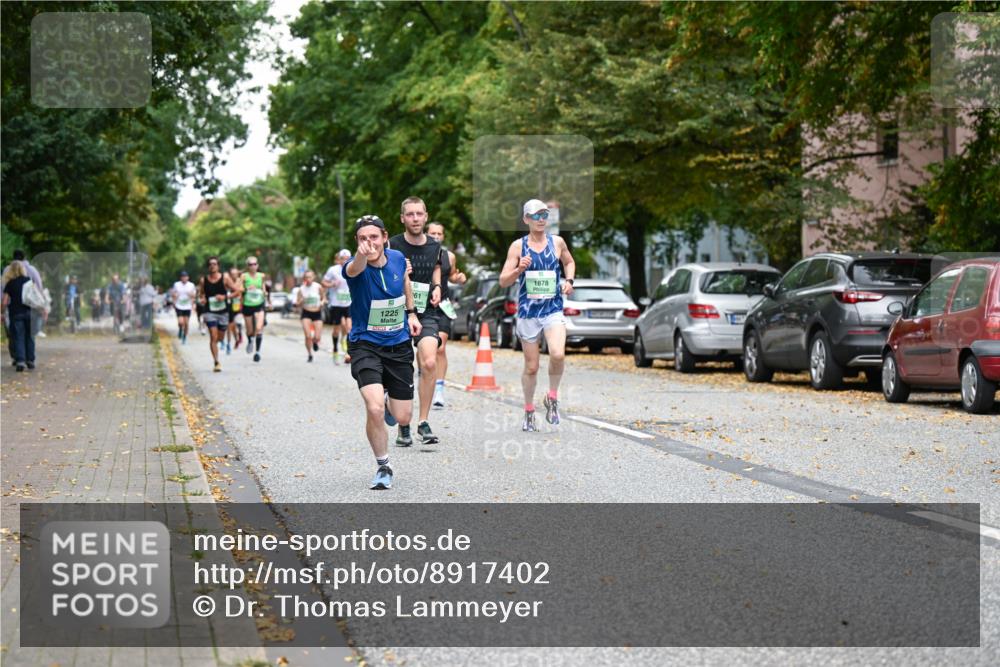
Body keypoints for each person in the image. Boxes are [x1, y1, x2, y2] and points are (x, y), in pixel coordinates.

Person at [345, 215, 422, 489]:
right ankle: (383, 466)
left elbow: (404, 283)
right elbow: (354, 268)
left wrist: (411, 313)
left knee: (403, 417)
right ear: (357, 241)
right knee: (374, 407)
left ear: (385, 236)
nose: (369, 243)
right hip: (365, 345)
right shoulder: (354, 267)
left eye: (374, 237)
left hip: (399, 344)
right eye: (363, 238)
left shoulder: (399, 258)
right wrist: (360, 256)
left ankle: (390, 399)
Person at [498, 199, 576, 431]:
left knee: (558, 354)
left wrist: (569, 281)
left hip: (552, 309)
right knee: (531, 367)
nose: (541, 219)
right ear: (526, 220)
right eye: (536, 215)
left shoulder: (557, 242)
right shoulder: (518, 247)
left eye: (544, 214)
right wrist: (518, 269)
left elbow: (569, 262)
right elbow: (503, 281)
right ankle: (529, 411)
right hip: (528, 313)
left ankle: (552, 397)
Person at [388, 196, 443, 446]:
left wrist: (438, 286)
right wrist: (399, 272)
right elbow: (381, 275)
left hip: (426, 312)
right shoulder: (393, 245)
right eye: (410, 214)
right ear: (402, 218)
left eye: (419, 214)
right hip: (397, 312)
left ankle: (422, 422)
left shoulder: (434, 245)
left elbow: (436, 267)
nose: (415, 218)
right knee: (401, 369)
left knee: (430, 362)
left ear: (426, 216)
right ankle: (403, 424)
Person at [426, 222, 467, 408]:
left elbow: (451, 275)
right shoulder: (418, 252)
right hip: (422, 306)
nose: (435, 236)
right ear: (426, 234)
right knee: (425, 352)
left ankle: (439, 390)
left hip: (442, 305)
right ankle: (425, 379)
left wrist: (458, 279)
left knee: (440, 348)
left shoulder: (448, 256)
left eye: (439, 233)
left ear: (443, 236)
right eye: (432, 233)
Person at [197, 257, 237, 373]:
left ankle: (221, 343)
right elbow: (201, 294)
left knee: (220, 337)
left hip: (223, 312)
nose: (212, 266)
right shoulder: (203, 280)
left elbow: (237, 291)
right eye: (210, 264)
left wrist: (225, 297)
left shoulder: (225, 278)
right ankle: (216, 362)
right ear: (208, 267)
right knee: (213, 337)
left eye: (214, 264)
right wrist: (203, 299)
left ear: (218, 266)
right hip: (209, 311)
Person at [2, 260, 35, 371]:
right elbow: (34, 296)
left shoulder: (10, 283)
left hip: (15, 313)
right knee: (29, 336)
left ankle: (20, 361)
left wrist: (2, 311)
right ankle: (30, 360)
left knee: (18, 337)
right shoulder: (28, 281)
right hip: (29, 312)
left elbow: (5, 301)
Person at [322, 249, 353, 364]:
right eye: (342, 259)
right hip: (336, 304)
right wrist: (332, 284)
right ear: (339, 259)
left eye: (347, 259)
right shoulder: (333, 270)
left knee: (349, 327)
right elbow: (324, 283)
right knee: (336, 329)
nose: (345, 261)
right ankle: (335, 349)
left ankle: (348, 352)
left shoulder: (353, 268)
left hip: (349, 303)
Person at [241, 256, 270, 363]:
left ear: (258, 265)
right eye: (250, 264)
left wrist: (265, 293)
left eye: (254, 264)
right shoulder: (244, 276)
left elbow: (263, 287)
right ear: (247, 266)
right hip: (247, 304)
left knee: (258, 328)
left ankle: (257, 352)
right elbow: (239, 288)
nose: (253, 266)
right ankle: (250, 340)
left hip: (259, 304)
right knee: (250, 330)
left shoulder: (261, 276)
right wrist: (246, 288)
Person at [295, 270, 325, 362]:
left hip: (317, 313)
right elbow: (297, 303)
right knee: (308, 336)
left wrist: (322, 302)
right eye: (306, 277)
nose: (308, 279)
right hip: (306, 313)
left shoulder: (318, 287)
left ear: (313, 277)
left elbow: (323, 297)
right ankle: (310, 354)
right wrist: (301, 301)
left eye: (310, 277)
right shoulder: (301, 289)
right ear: (304, 278)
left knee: (317, 337)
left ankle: (315, 342)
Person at [170, 271, 197, 344]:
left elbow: (194, 296)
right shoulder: (176, 284)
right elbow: (172, 293)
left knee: (186, 323)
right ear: (180, 278)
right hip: (179, 305)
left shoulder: (191, 285)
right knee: (180, 322)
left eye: (185, 277)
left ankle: (184, 337)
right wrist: (174, 296)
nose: (184, 278)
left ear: (188, 277)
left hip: (187, 306)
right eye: (183, 277)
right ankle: (180, 329)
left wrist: (190, 295)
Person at [225, 266, 244, 353]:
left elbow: (242, 291)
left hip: (238, 306)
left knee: (238, 322)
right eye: (232, 274)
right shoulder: (227, 281)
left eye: (235, 274)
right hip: (229, 305)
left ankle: (239, 333)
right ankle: (233, 340)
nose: (234, 275)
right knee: (230, 326)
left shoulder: (240, 281)